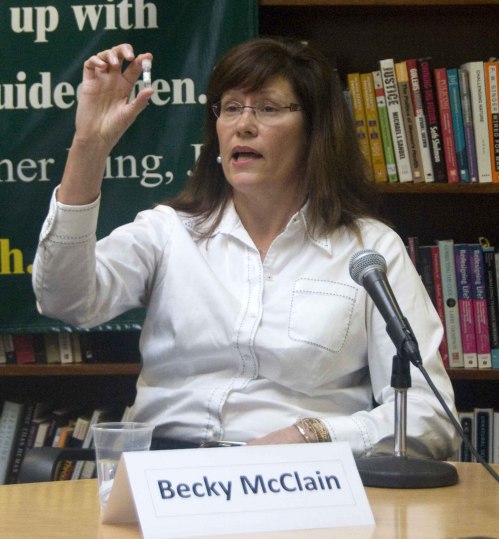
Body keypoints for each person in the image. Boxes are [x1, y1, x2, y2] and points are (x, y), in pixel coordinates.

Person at [32, 37, 460, 458]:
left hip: (298, 472)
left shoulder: (368, 250)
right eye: (232, 107)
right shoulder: (169, 231)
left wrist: (315, 434)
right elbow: (64, 299)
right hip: (168, 469)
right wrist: (89, 145)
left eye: (268, 109)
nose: (244, 125)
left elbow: (430, 417)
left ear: (315, 131)